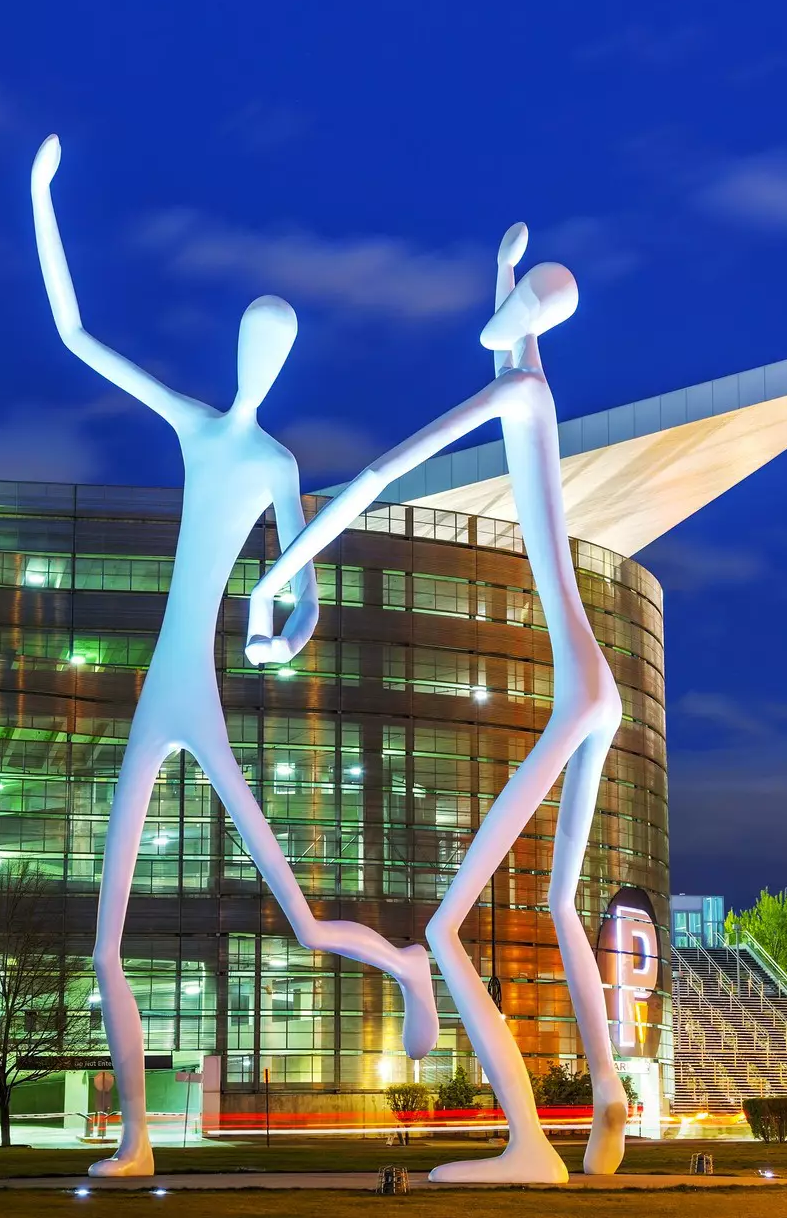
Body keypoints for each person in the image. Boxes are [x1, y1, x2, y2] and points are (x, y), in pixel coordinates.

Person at [32, 136, 437, 1178]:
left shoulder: (274, 462)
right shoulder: (197, 426)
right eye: (255, 340)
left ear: (284, 362)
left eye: (277, 347)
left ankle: (403, 962)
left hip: (201, 697)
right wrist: (41, 196)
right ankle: (134, 1141)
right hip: (159, 693)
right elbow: (75, 332)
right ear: (237, 347)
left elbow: (303, 587)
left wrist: (279, 633)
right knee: (106, 939)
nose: (261, 359)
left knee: (298, 915)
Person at [247, 223, 626, 1183]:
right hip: (602, 686)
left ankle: (529, 1144)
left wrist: (280, 575)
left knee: (449, 927)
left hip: (579, 691)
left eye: (517, 306)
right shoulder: (536, 379)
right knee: (558, 901)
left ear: (528, 321)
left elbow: (383, 472)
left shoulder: (519, 391)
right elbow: (507, 333)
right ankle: (610, 1095)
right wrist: (503, 272)